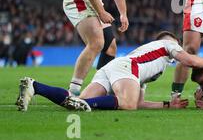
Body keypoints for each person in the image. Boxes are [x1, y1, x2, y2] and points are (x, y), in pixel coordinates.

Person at [16, 32, 190, 111]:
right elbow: (190, 59)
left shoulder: (152, 63)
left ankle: (35, 86)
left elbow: (139, 102)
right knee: (126, 104)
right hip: (125, 68)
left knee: (76, 101)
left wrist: (167, 104)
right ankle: (88, 105)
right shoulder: (162, 49)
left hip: (117, 68)